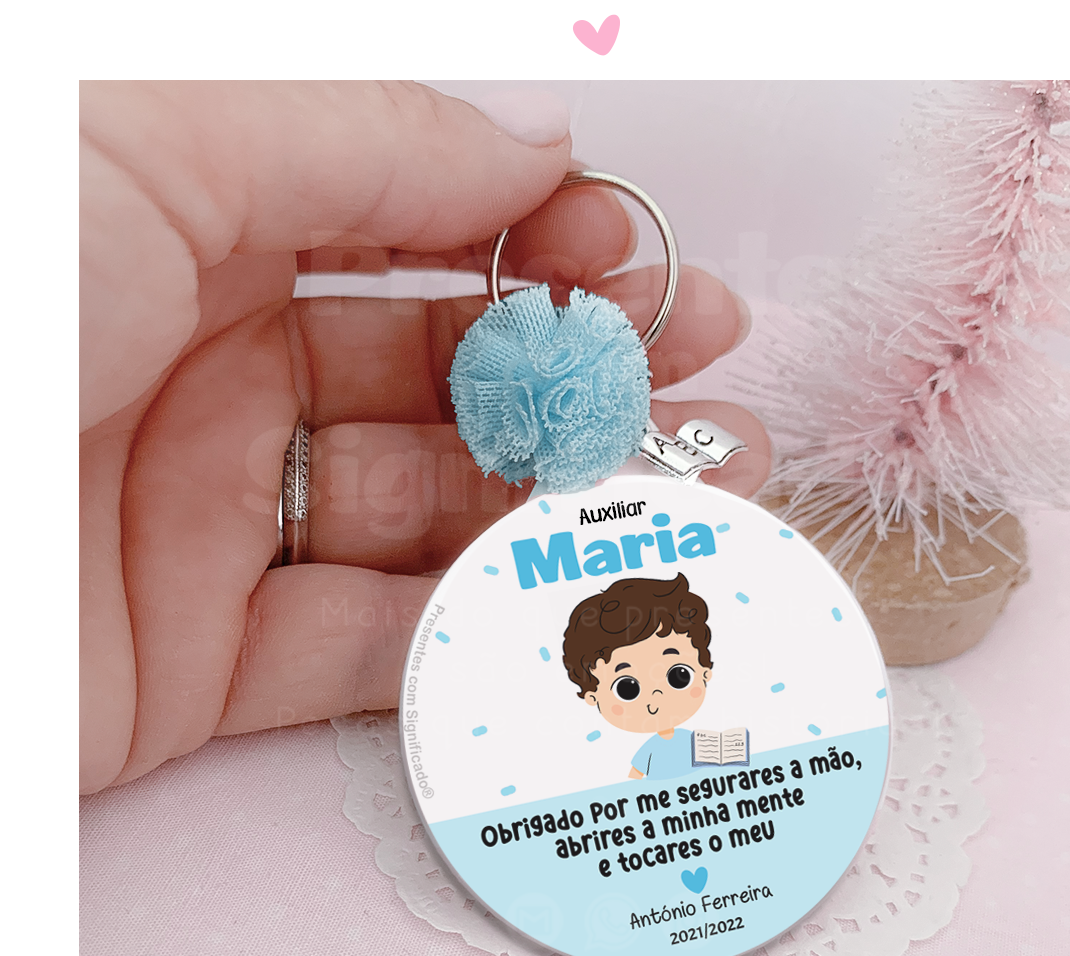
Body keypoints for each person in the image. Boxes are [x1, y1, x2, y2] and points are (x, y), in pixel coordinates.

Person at [80, 82, 769, 795]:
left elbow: (743, 752)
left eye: (676, 675)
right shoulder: (634, 755)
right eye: (630, 685)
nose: (654, 697)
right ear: (590, 691)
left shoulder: (698, 742)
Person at [562, 574, 713, 780]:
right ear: (593, 696)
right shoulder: (652, 748)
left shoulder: (692, 740)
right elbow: (634, 779)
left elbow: (720, 760)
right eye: (627, 688)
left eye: (679, 676)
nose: (657, 698)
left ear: (704, 670)